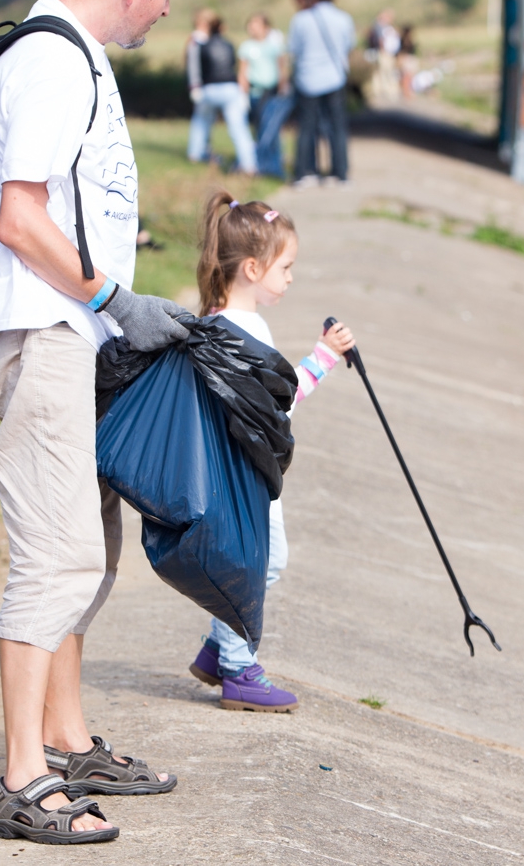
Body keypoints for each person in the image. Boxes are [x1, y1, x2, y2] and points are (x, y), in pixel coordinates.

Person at [0, 0, 190, 846]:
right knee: (56, 556)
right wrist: (112, 300)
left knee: (88, 541)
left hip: (73, 332)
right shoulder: (53, 61)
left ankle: (66, 734)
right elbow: (20, 217)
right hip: (47, 331)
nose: (167, 14)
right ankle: (23, 778)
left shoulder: (67, 52)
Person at [186, 191, 355, 712]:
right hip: (249, 477)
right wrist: (324, 357)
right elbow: (278, 407)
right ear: (253, 268)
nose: (290, 278)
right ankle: (238, 668)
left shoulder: (214, 320)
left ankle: (218, 652)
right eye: (285, 267)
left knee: (250, 561)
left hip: (224, 472)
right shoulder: (247, 331)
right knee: (261, 563)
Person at [287, 0, 356, 187]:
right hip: (335, 78)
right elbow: (349, 46)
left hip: (308, 79)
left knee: (307, 128)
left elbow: (294, 50)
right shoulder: (344, 18)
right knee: (337, 127)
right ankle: (340, 173)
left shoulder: (301, 19)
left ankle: (306, 171)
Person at [186, 9, 256, 173]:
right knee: (239, 128)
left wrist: (194, 87)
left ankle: (195, 154)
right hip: (231, 89)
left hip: (208, 89)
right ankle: (249, 164)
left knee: (200, 121)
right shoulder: (229, 44)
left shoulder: (198, 42)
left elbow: (193, 67)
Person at [238, 12, 290, 178]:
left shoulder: (274, 46)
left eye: (257, 24)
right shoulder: (246, 47)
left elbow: (282, 68)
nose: (253, 28)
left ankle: (275, 166)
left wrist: (283, 88)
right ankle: (260, 164)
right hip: (255, 93)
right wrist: (243, 94)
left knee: (272, 130)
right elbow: (243, 72)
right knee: (259, 129)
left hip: (272, 93)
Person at [365, 8, 401, 104]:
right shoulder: (381, 27)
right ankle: (387, 92)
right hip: (384, 53)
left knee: (385, 72)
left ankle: (384, 91)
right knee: (385, 72)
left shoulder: (386, 27)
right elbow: (381, 40)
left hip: (388, 53)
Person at [396, 24, 419, 100]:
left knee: (409, 76)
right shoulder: (403, 40)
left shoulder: (406, 39)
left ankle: (408, 91)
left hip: (409, 58)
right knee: (406, 76)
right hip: (406, 59)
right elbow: (402, 51)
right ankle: (406, 92)